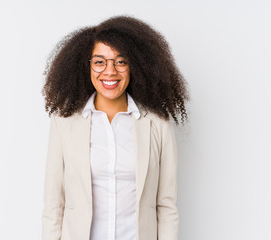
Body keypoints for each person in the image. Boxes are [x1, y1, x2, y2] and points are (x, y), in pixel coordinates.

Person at [41, 15, 190, 240]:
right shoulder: (65, 124)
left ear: (134, 66)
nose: (110, 71)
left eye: (120, 61)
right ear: (87, 66)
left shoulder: (157, 125)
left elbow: (166, 205)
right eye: (100, 61)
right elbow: (54, 205)